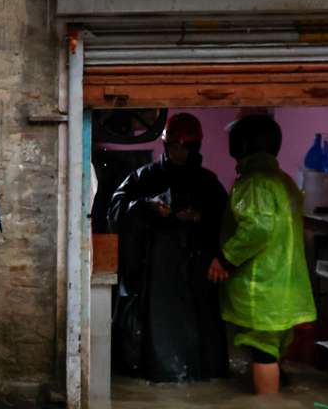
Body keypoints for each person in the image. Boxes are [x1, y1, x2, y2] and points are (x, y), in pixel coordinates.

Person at [106, 113, 229, 382]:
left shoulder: (208, 183)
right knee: (157, 335)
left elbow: (226, 222)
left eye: (185, 148)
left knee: (201, 340)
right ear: (165, 146)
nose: (179, 153)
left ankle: (202, 375)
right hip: (155, 274)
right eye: (174, 147)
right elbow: (116, 212)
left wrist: (200, 219)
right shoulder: (143, 178)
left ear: (195, 148)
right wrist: (147, 207)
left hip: (196, 273)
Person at [208, 114, 316, 395]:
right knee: (272, 351)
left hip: (262, 288)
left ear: (242, 145)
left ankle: (267, 403)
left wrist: (225, 258)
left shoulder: (253, 184)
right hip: (287, 288)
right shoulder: (285, 182)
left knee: (263, 352)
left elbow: (259, 227)